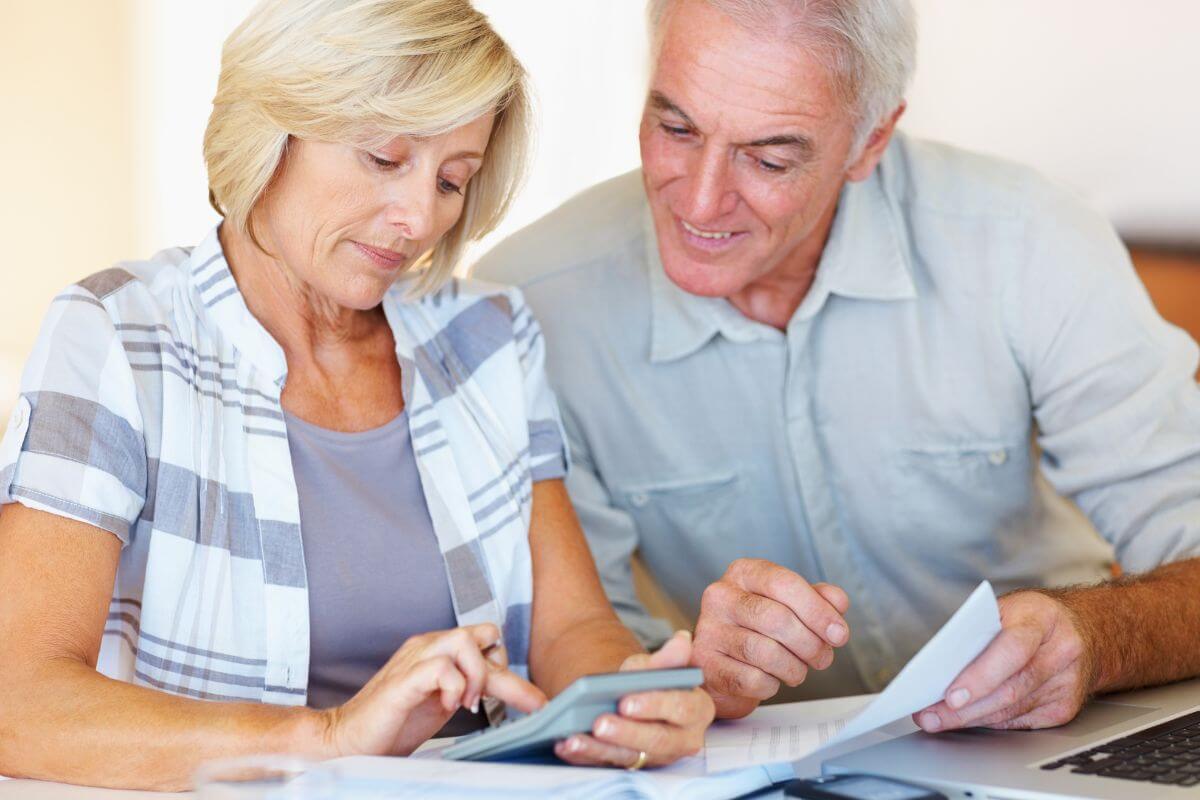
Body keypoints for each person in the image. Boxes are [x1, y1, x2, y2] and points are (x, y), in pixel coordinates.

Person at [0, 0, 714, 790]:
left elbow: (573, 626)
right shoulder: (117, 333)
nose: (418, 219)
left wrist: (630, 698)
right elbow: (18, 701)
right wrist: (332, 739)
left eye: (452, 180)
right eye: (383, 158)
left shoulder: (488, 335)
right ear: (274, 128)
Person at [475, 0, 1200, 733]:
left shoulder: (1028, 242)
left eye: (769, 158)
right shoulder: (532, 308)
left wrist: (1098, 638)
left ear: (870, 141)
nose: (699, 199)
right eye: (676, 128)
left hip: (1044, 744)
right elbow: (580, 651)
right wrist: (694, 680)